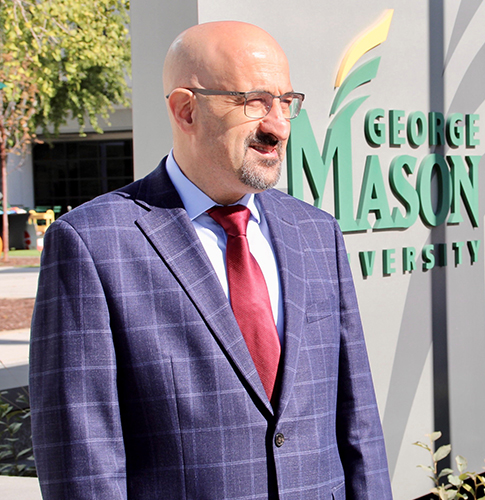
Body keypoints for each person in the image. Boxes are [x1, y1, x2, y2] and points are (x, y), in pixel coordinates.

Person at [29, 21, 393, 499]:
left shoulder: (316, 232)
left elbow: (358, 418)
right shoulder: (91, 244)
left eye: (286, 102)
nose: (279, 126)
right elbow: (83, 458)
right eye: (255, 101)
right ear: (185, 110)